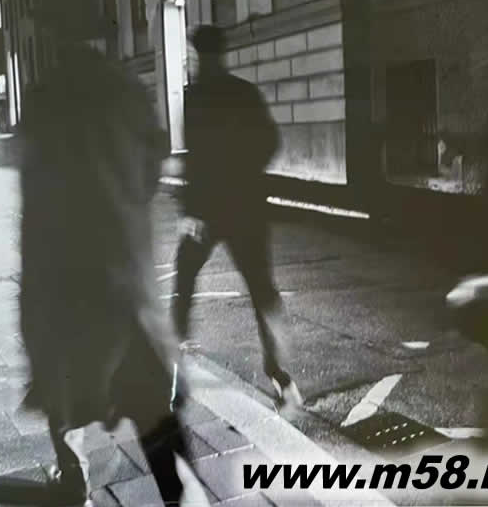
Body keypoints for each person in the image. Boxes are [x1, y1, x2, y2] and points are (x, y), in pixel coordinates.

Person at [18, 44, 199, 506]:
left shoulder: (44, 97)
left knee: (63, 383)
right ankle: (178, 491)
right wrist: (126, 195)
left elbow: (34, 198)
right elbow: (154, 158)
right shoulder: (126, 90)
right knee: (149, 397)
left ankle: (75, 478)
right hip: (123, 268)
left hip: (66, 273)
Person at [173, 25, 302, 410]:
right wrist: (246, 173)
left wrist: (190, 210)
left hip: (208, 212)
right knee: (262, 289)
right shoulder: (244, 93)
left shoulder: (195, 97)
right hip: (246, 207)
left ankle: (176, 369)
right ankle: (281, 376)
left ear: (202, 56)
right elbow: (270, 141)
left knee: (184, 278)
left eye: (196, 57)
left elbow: (193, 159)